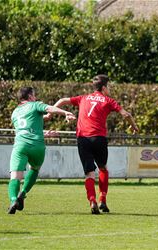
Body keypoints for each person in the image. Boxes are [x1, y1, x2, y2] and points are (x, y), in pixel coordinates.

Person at [49, 75, 139, 214]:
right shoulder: (108, 101)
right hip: (99, 139)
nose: (109, 89)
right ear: (103, 88)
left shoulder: (83, 98)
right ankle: (102, 198)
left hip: (83, 138)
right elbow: (126, 115)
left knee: (89, 173)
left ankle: (92, 201)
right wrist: (133, 126)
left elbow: (62, 100)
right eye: (108, 87)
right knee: (103, 169)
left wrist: (49, 114)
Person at [8, 87, 76, 214]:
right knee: (34, 169)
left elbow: (27, 127)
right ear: (29, 97)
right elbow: (50, 109)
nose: (35, 97)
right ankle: (22, 194)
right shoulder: (35, 105)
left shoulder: (15, 113)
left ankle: (13, 200)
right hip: (37, 146)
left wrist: (43, 132)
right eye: (34, 95)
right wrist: (65, 112)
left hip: (20, 146)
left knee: (15, 177)